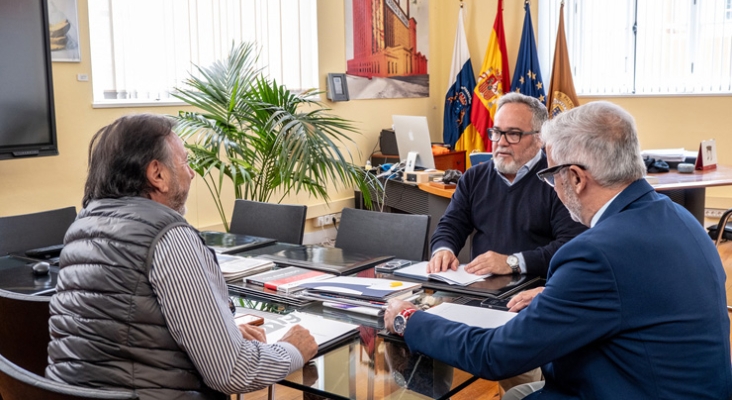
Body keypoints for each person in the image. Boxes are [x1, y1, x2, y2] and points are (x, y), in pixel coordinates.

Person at [385, 101, 732, 399]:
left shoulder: (596, 254)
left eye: (551, 176)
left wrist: (410, 319)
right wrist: (560, 297)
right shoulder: (681, 218)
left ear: (577, 178)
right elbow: (635, 296)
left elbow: (495, 356)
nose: (551, 185)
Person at [46, 114, 318, 400]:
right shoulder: (167, 236)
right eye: (185, 162)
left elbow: (120, 333)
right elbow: (232, 372)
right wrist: (292, 349)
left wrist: (216, 333)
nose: (192, 173)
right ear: (158, 174)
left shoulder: (81, 228)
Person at [428, 92, 586, 277]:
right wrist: (443, 249)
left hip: (536, 289)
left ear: (539, 138)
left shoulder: (558, 179)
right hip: (479, 286)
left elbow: (570, 244)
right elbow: (451, 225)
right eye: (496, 132)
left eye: (513, 134)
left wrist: (513, 263)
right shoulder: (474, 177)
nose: (501, 142)